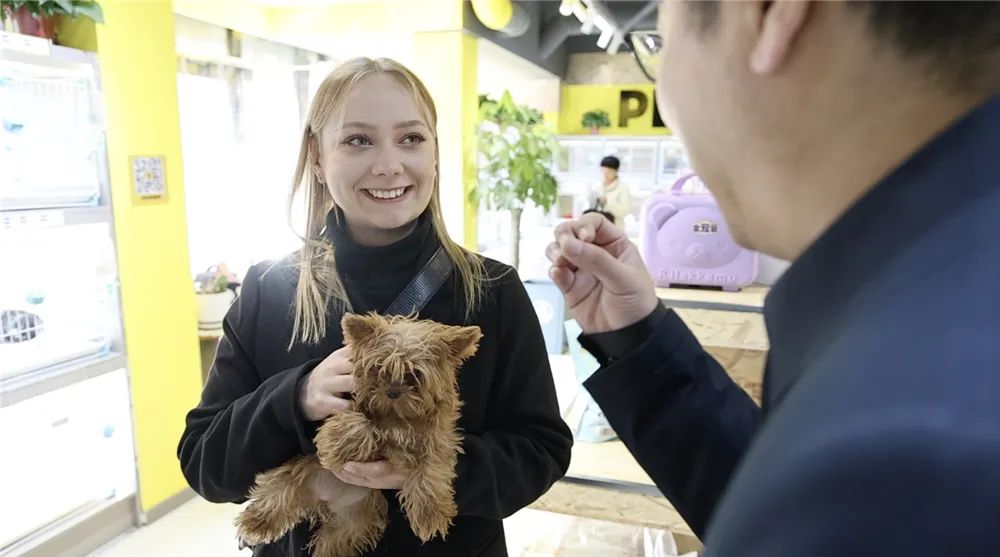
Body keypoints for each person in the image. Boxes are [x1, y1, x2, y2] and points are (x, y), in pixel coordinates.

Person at [547, 1, 998, 556]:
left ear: (766, 13)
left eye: (661, 43)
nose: (666, 96)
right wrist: (638, 339)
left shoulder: (903, 463)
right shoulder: (937, 301)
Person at [179, 57, 572, 557]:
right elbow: (204, 464)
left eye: (411, 138)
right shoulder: (270, 288)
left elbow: (542, 450)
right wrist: (296, 399)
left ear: (434, 153)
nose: (389, 164)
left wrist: (426, 470)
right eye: (357, 140)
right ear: (317, 157)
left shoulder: (491, 291)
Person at [589, 155, 631, 226]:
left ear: (616, 171)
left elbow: (625, 211)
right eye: (603, 171)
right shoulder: (597, 186)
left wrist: (607, 202)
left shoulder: (623, 188)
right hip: (599, 227)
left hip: (615, 227)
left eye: (609, 172)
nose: (605, 175)